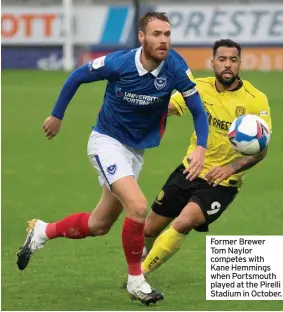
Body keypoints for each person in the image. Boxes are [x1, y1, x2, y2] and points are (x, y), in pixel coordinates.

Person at [16, 11, 209, 305]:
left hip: (134, 151)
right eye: (156, 34)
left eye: (167, 34)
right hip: (106, 142)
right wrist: (57, 115)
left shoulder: (175, 66)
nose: (163, 41)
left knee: (99, 225)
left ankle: (41, 231)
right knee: (138, 206)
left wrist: (201, 147)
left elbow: (197, 109)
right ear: (142, 37)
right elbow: (77, 76)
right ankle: (136, 281)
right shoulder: (119, 62)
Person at [141, 39, 272, 278]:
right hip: (190, 169)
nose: (228, 65)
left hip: (221, 183)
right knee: (149, 228)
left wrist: (230, 168)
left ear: (240, 63)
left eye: (233, 60)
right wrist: (135, 108)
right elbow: (167, 106)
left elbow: (262, 150)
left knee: (184, 221)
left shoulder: (256, 99)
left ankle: (139, 276)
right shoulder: (198, 88)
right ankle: (140, 265)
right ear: (212, 62)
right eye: (222, 59)